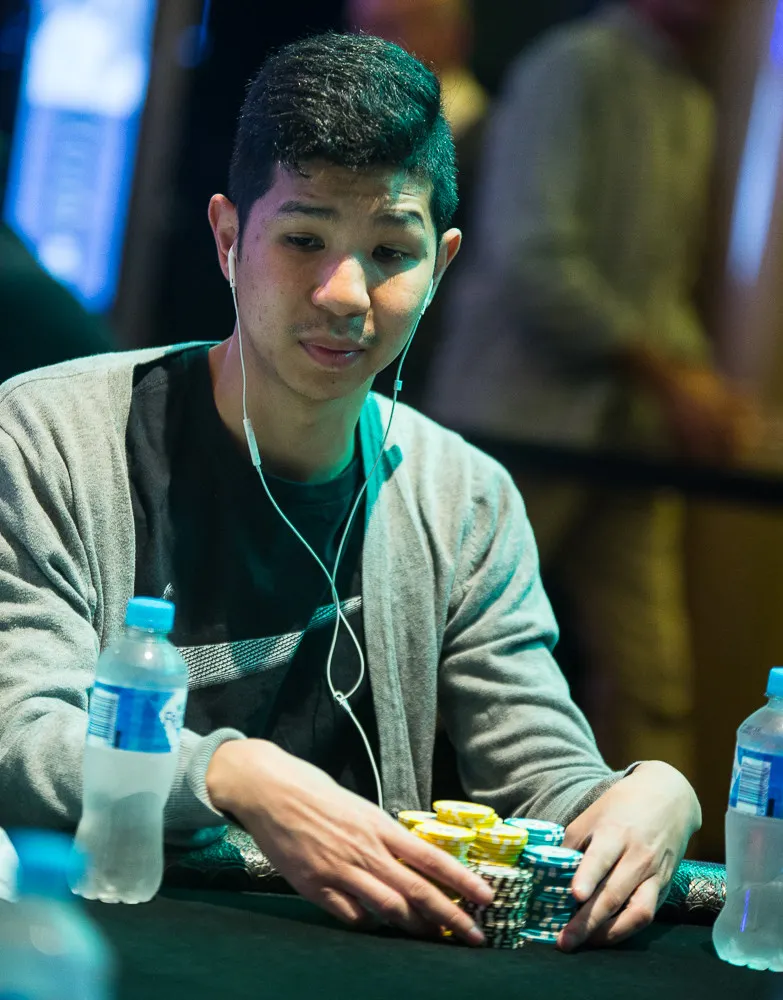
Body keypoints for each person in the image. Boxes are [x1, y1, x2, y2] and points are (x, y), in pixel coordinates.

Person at [0, 31, 699, 952]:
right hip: (89, 938)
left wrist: (655, 792)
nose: (344, 292)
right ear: (227, 239)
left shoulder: (465, 498)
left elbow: (542, 774)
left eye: (390, 250)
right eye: (303, 239)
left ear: (441, 265)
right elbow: (19, 732)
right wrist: (234, 775)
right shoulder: (50, 436)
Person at [425, 0, 748, 778]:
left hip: (624, 436)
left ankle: (652, 846)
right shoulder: (570, 67)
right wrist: (669, 375)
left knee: (651, 683)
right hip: (519, 424)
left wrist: (702, 386)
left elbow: (660, 286)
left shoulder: (686, 93)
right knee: (438, 650)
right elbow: (533, 258)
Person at [345, 0, 489, 406]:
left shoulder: (497, 141)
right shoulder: (351, 138)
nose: (372, 47)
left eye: (394, 27)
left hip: (443, 386)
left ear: (455, 36)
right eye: (361, 30)